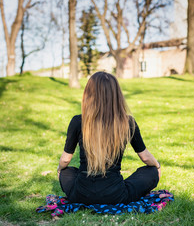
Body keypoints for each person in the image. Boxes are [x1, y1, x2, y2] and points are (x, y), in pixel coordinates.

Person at [57, 71, 161, 205]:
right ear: (117, 95)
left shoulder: (78, 121)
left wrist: (60, 170)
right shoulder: (127, 122)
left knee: (67, 171)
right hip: (116, 196)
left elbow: (65, 160)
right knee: (150, 171)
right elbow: (145, 157)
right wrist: (157, 167)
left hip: (81, 195)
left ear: (88, 94)